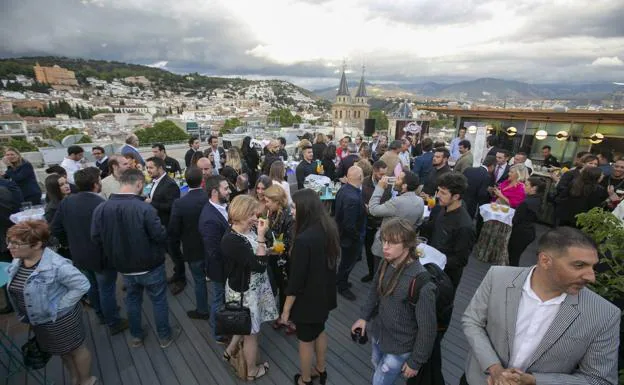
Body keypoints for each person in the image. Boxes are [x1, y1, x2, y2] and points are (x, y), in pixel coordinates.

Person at [461, 227, 620, 385]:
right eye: (579, 265)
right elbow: (472, 321)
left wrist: (535, 381)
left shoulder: (605, 314)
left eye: (592, 267)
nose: (591, 277)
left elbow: (598, 380)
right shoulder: (497, 277)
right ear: (545, 261)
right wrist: (494, 369)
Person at [91, 169, 180, 349]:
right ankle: (164, 336)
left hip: (123, 267)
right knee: (158, 300)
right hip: (150, 265)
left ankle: (136, 336)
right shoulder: (145, 208)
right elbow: (160, 235)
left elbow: (96, 238)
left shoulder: (101, 208)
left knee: (132, 300)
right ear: (139, 184)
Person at [6, 220, 96, 385]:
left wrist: (58, 306)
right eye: (9, 242)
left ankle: (86, 380)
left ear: (37, 245)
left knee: (76, 350)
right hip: (41, 321)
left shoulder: (57, 266)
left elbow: (82, 284)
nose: (10, 247)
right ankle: (75, 377)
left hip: (62, 320)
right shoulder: (18, 260)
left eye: (17, 244)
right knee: (62, 352)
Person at [352, 218, 437, 385]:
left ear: (407, 245)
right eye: (383, 241)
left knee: (380, 381)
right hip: (379, 336)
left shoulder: (422, 284)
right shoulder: (386, 262)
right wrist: (363, 317)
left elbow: (428, 329)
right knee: (377, 366)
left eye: (391, 243)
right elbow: (374, 292)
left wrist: (415, 362)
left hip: (399, 348)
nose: (384, 247)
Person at [51, 167, 127, 334]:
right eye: (99, 180)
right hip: (101, 257)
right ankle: (113, 322)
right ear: (95, 184)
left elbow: (55, 229)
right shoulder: (102, 204)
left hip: (79, 255)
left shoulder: (67, 202)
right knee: (106, 290)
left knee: (91, 287)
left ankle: (101, 315)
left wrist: (71, 242)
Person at [280, 188, 340, 385]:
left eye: (295, 208)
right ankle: (321, 369)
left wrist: (286, 310)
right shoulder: (328, 228)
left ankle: (305, 379)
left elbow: (296, 281)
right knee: (320, 330)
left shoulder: (304, 239)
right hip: (325, 295)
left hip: (308, 301)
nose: (292, 212)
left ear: (306, 209)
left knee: (305, 342)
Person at [221, 195, 278, 381]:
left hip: (252, 287)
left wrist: (264, 249)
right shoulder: (233, 240)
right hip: (246, 292)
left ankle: (230, 350)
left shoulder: (245, 232)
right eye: (252, 214)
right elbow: (259, 265)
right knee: (252, 333)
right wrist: (261, 238)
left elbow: (255, 257)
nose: (256, 217)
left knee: (244, 323)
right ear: (242, 213)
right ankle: (252, 371)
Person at [168, 167, 210, 319]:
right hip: (211, 247)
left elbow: (174, 229)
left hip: (193, 249)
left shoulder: (180, 203)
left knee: (199, 281)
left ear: (186, 180)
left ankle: (203, 310)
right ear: (202, 180)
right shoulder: (209, 197)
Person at [427, 172, 475, 289]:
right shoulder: (443, 208)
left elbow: (460, 260)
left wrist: (435, 259)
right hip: (430, 269)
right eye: (438, 191)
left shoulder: (464, 226)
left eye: (443, 193)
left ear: (456, 196)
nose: (438, 195)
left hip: (444, 279)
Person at [198, 175, 231, 343]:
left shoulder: (221, 207)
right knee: (219, 299)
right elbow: (214, 252)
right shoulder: (209, 219)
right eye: (226, 188)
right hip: (220, 269)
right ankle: (218, 332)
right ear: (214, 192)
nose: (229, 190)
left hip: (224, 267)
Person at [145, 156, 182, 293]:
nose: (148, 170)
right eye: (147, 167)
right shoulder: (156, 181)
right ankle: (176, 274)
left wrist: (151, 203)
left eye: (150, 167)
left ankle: (181, 278)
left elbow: (173, 206)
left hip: (169, 227)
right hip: (160, 225)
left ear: (160, 168)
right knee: (170, 253)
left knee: (175, 254)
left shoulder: (169, 184)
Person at [369, 171, 425, 261]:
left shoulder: (397, 202)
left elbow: (373, 210)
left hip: (385, 247)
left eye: (398, 179)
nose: (395, 180)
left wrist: (380, 187)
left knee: (379, 272)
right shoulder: (420, 201)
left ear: (404, 186)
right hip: (403, 247)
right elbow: (417, 224)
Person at [263, 185, 295, 333]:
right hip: (275, 259)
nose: (265, 204)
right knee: (282, 288)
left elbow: (288, 244)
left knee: (288, 288)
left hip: (286, 261)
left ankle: (290, 318)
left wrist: (267, 232)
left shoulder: (288, 216)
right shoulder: (273, 212)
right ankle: (284, 315)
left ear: (277, 201)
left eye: (268, 201)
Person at [334, 166, 366, 301]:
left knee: (346, 262)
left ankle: (341, 281)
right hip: (350, 239)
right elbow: (349, 225)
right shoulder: (353, 198)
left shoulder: (343, 189)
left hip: (343, 234)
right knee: (347, 263)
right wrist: (358, 237)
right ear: (360, 178)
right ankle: (341, 286)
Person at [361, 160, 392, 282]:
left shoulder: (387, 183)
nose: (383, 177)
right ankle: (371, 273)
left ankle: (381, 276)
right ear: (374, 171)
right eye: (381, 174)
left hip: (382, 225)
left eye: (385, 174)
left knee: (382, 253)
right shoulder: (364, 182)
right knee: (369, 251)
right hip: (369, 223)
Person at [508, 176, 546, 266]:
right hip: (529, 232)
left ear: (534, 188)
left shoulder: (525, 203)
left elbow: (515, 220)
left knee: (513, 257)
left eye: (527, 185)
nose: (524, 187)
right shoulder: (538, 199)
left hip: (520, 233)